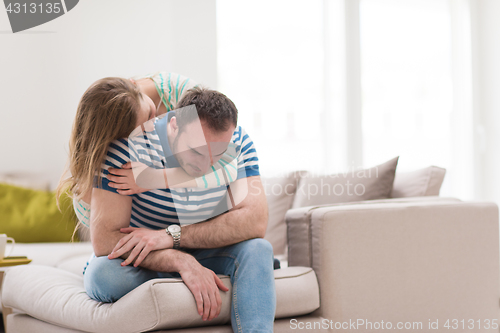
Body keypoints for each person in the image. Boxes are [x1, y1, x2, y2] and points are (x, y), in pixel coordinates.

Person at [58, 79, 276, 332]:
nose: (205, 167)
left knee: (259, 249)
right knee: (103, 275)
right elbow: (105, 239)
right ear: (174, 125)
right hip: (150, 258)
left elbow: (255, 221)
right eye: (196, 152)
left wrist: (170, 237)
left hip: (209, 251)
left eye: (217, 156)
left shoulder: (238, 143)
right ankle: (192, 275)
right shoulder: (126, 148)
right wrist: (181, 262)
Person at [64, 72, 237, 228]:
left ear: (134, 84)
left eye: (148, 115)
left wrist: (153, 179)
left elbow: (224, 150)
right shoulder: (109, 159)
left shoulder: (180, 90)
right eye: (140, 130)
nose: (152, 126)